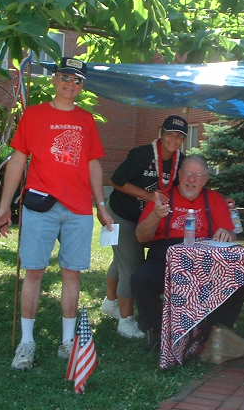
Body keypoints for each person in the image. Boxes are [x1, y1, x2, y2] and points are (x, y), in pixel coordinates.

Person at [0, 57, 114, 370]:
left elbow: (93, 164)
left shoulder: (87, 120)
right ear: (54, 80)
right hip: (40, 206)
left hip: (78, 210)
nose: (70, 84)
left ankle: (68, 340)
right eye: (65, 77)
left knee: (72, 274)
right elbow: (18, 161)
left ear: (82, 86)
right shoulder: (34, 115)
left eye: (77, 81)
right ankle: (27, 342)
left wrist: (101, 206)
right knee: (33, 272)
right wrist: (5, 205)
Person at [132, 155, 244, 343]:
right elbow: (140, 236)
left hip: (205, 258)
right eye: (188, 174)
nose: (191, 180)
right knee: (141, 278)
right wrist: (156, 215)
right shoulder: (163, 197)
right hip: (167, 257)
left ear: (206, 179)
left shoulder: (214, 199)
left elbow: (231, 234)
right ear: (179, 175)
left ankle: (216, 329)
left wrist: (227, 234)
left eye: (198, 175)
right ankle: (156, 331)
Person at [100, 115, 187, 339]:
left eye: (179, 136)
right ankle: (125, 321)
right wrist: (149, 196)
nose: (174, 140)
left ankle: (110, 302)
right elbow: (116, 180)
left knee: (123, 258)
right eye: (170, 134)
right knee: (132, 263)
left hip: (148, 219)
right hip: (122, 214)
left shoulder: (181, 161)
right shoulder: (142, 154)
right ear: (161, 133)